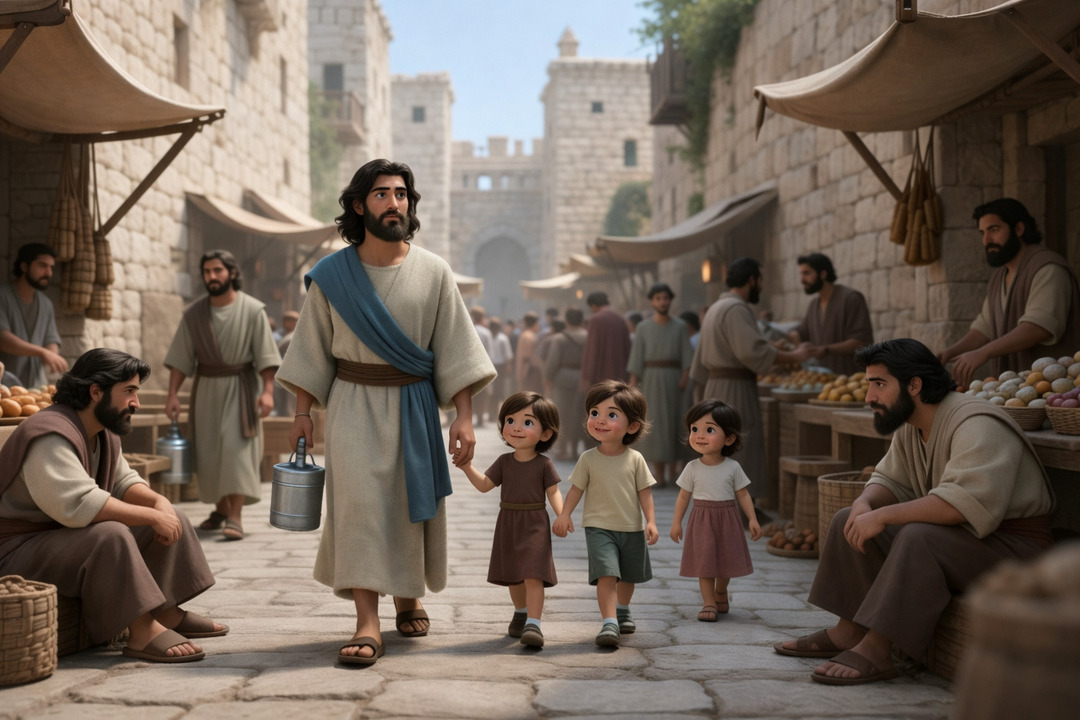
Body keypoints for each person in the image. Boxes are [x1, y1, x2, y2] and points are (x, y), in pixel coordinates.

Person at [275, 158, 495, 666]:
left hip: (416, 405)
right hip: (352, 403)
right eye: (381, 194)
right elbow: (310, 349)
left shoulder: (435, 271)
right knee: (359, 509)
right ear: (359, 205)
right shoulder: (331, 276)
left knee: (406, 504)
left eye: (401, 194)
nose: (393, 202)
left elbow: (457, 347)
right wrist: (302, 412)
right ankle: (366, 620)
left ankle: (407, 593)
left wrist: (463, 415)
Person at [775, 339, 1055, 685]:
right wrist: (865, 505)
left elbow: (959, 503)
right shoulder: (913, 423)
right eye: (868, 385)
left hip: (1015, 550)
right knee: (847, 517)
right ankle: (849, 631)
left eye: (879, 384)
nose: (869, 397)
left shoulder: (976, 422)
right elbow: (889, 479)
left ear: (914, 385)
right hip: (969, 542)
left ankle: (878, 649)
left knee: (917, 536)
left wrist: (884, 516)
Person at [0, 348, 226, 663]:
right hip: (17, 554)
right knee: (111, 535)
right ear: (96, 391)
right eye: (129, 391)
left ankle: (168, 613)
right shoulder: (49, 434)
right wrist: (151, 515)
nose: (136, 402)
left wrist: (160, 504)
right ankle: (142, 630)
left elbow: (123, 482)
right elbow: (77, 503)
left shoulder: (100, 431)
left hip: (60, 540)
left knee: (168, 514)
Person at [165, 250, 279, 541]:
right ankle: (220, 509)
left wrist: (267, 392)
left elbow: (266, 358)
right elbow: (180, 359)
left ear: (231, 273)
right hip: (206, 391)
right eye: (207, 272)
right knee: (210, 453)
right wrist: (172, 395)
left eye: (217, 270)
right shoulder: (194, 314)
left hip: (242, 390)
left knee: (235, 452)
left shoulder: (253, 310)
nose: (212, 277)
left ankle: (235, 516)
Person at [689, 258, 811, 508]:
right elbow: (752, 352)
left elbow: (703, 360)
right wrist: (795, 356)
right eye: (761, 280)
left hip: (716, 388)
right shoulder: (736, 308)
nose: (762, 286)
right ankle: (740, 510)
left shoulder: (716, 307)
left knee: (721, 447)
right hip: (735, 390)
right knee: (739, 445)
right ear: (752, 280)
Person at [553, 380, 659, 647]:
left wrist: (651, 521)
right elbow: (576, 490)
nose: (599, 420)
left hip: (631, 527)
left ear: (632, 426)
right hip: (598, 527)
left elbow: (645, 492)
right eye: (594, 413)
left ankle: (623, 609)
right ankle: (609, 622)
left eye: (611, 415)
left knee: (628, 575)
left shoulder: (635, 459)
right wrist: (565, 514)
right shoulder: (588, 458)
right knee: (607, 574)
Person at [458, 391, 564, 648]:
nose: (516, 428)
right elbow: (485, 485)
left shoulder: (544, 464)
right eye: (510, 420)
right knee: (514, 574)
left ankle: (534, 624)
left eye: (527, 423)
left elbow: (554, 492)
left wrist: (563, 515)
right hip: (508, 521)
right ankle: (520, 611)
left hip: (535, 522)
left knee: (533, 573)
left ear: (546, 433)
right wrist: (466, 467)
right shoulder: (504, 462)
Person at [938, 198, 1080, 387]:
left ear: (1019, 229)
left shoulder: (1048, 268)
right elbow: (984, 328)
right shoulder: (999, 277)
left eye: (994, 230)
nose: (986, 240)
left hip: (1054, 390)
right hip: (1018, 391)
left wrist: (983, 353)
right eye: (982, 232)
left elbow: (1039, 327)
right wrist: (949, 353)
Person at [670, 400, 761, 622]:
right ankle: (708, 602)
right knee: (705, 562)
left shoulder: (732, 467)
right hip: (702, 519)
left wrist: (752, 519)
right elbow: (683, 496)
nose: (699, 435)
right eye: (694, 429)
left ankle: (721, 590)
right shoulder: (692, 468)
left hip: (728, 519)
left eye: (709, 430)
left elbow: (743, 494)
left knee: (726, 561)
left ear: (729, 438)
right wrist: (676, 522)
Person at [627, 283, 694, 485]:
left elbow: (687, 357)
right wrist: (631, 387)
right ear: (652, 301)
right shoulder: (643, 328)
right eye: (658, 298)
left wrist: (685, 376)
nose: (662, 302)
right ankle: (658, 474)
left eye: (665, 298)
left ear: (670, 300)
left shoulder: (680, 326)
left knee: (675, 422)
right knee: (654, 423)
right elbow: (636, 359)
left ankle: (674, 472)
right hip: (651, 380)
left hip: (675, 381)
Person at [787, 253, 874, 376]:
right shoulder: (814, 304)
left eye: (806, 273)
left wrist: (826, 349)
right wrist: (795, 336)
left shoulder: (852, 298)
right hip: (823, 384)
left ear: (823, 274)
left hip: (850, 381)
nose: (802, 280)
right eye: (801, 274)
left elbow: (861, 342)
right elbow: (802, 331)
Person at [0, 243, 67, 388]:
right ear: (24, 266)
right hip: (3, 387)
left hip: (34, 388)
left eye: (51, 267)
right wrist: (42, 352)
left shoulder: (46, 304)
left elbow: (51, 339)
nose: (48, 273)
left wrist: (52, 357)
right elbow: (2, 338)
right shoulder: (2, 296)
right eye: (42, 265)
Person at [543, 308, 588, 460]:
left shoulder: (559, 338)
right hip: (583, 378)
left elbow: (553, 361)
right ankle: (575, 450)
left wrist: (548, 379)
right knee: (579, 414)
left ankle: (563, 449)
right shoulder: (589, 337)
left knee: (562, 414)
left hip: (562, 378)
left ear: (566, 321)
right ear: (582, 321)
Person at [579, 291, 632, 393]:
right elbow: (628, 348)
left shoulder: (596, 320)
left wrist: (587, 377)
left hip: (600, 377)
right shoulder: (620, 319)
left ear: (593, 305)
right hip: (620, 374)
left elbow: (592, 350)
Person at [471, 306, 495, 427]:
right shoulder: (486, 332)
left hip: (469, 367)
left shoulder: (467, 329)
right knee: (483, 393)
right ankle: (480, 418)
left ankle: (472, 416)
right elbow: (490, 353)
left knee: (471, 392)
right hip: (483, 366)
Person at [273, 310, 300, 417]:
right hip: (283, 376)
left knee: (290, 408)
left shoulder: (293, 337)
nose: (285, 322)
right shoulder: (282, 336)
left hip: (292, 377)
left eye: (289, 320)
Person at [515, 312, 544, 394]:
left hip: (529, 370)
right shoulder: (529, 336)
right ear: (535, 323)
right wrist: (522, 375)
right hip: (529, 371)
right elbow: (526, 358)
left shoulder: (526, 335)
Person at [488, 317, 514, 407]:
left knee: (498, 389)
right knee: (490, 389)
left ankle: (497, 409)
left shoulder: (503, 338)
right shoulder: (488, 336)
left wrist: (508, 367)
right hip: (490, 366)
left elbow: (508, 355)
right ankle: (490, 410)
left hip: (499, 366)